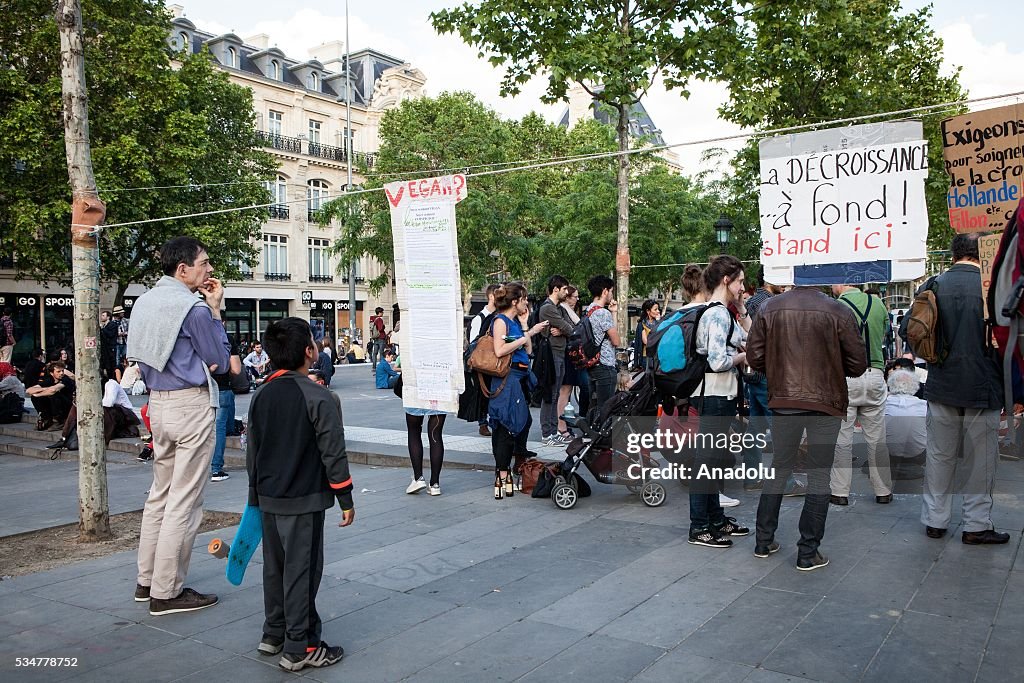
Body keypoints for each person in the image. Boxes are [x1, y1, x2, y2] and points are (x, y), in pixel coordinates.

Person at [127, 235, 230, 615]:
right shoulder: (194, 309)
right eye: (204, 263)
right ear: (183, 268)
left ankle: (146, 580)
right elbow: (218, 359)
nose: (209, 270)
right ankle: (166, 591)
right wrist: (215, 310)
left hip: (158, 403)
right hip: (189, 404)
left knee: (160, 495)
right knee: (184, 501)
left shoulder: (145, 301)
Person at [246, 317, 354, 672]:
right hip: (304, 498)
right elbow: (332, 453)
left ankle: (273, 632)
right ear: (309, 352)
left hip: (268, 496)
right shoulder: (319, 396)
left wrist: (254, 496)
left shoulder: (260, 395)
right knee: (301, 572)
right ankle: (301, 647)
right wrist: (345, 497)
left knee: (275, 569)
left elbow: (253, 452)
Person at [746, 280, 867, 571]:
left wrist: (778, 368)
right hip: (825, 402)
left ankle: (763, 540)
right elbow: (857, 363)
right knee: (818, 476)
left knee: (779, 468)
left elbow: (754, 357)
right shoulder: (837, 310)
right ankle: (808, 551)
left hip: (784, 399)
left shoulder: (769, 307)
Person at [920, 233, 1008, 545]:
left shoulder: (932, 285)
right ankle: (975, 525)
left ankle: (935, 520)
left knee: (939, 456)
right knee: (980, 461)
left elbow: (911, 331)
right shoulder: (994, 287)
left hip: (941, 383)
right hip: (984, 385)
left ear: (955, 253)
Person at [686, 256, 752, 548]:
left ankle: (714, 519)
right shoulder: (716, 315)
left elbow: (749, 336)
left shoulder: (722, 312)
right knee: (707, 462)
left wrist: (742, 308)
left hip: (718, 393)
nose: (742, 286)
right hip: (713, 393)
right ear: (727, 280)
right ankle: (700, 526)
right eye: (739, 281)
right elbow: (718, 360)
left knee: (713, 461)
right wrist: (742, 358)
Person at [828, 283, 893, 506]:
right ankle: (883, 490)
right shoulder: (878, 304)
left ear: (840, 284)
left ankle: (839, 492)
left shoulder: (835, 307)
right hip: (875, 374)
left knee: (842, 438)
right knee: (877, 439)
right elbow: (885, 335)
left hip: (846, 377)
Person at [488, 283, 548, 499]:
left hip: (520, 377)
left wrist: (524, 327)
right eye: (524, 299)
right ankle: (502, 474)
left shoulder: (513, 322)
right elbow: (499, 348)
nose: (527, 303)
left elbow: (528, 349)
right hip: (508, 379)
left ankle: (508, 469)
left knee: (520, 423)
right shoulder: (500, 321)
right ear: (515, 301)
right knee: (506, 425)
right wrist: (528, 333)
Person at [539, 275, 575, 445]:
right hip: (552, 354)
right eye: (564, 289)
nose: (566, 292)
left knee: (555, 394)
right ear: (556, 289)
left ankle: (553, 431)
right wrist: (564, 329)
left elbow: (571, 327)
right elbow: (569, 327)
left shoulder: (559, 308)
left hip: (560, 353)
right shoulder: (548, 308)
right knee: (550, 394)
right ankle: (547, 433)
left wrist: (562, 330)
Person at [210, 315, 243, 482]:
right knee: (219, 430)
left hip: (200, 389)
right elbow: (236, 370)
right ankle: (216, 469)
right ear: (223, 322)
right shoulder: (227, 339)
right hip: (222, 388)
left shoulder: (198, 336)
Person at [585, 275, 620, 413]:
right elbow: (616, 340)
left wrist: (614, 313)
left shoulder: (589, 310)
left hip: (593, 363)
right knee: (606, 407)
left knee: (594, 405)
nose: (611, 294)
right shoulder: (602, 313)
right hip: (605, 364)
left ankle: (593, 431)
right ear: (605, 291)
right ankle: (603, 433)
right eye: (611, 291)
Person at [884, 369, 927, 480]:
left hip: (888, 454)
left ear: (891, 385)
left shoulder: (883, 405)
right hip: (917, 454)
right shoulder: (923, 405)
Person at [469, 284, 500, 437]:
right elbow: (473, 343)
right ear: (491, 297)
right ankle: (483, 423)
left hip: (496, 361)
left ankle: (492, 422)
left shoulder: (500, 316)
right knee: (483, 393)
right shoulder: (479, 318)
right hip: (483, 362)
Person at [558, 286, 587, 429]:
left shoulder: (569, 310)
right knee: (565, 390)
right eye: (575, 296)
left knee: (569, 390)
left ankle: (565, 424)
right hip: (566, 354)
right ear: (567, 297)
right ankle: (561, 426)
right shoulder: (562, 310)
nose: (577, 299)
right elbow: (578, 327)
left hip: (572, 355)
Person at [26, 361, 76, 430]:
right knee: (34, 397)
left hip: (67, 406)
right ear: (52, 373)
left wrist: (38, 393)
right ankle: (46, 419)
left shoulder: (65, 379)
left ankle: (59, 421)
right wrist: (43, 391)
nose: (61, 373)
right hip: (54, 405)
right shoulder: (49, 380)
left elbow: (53, 390)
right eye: (58, 371)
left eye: (62, 371)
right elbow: (28, 390)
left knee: (54, 395)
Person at [633, 299, 661, 371]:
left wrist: (659, 322)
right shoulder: (642, 324)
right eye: (655, 309)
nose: (658, 311)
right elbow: (646, 341)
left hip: (660, 356)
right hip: (647, 356)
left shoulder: (660, 322)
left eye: (658, 309)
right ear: (648, 311)